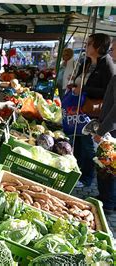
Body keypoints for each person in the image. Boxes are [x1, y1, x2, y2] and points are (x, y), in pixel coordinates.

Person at [70, 33, 115, 188]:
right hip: (79, 109)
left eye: (89, 43)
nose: (86, 46)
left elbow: (107, 91)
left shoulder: (108, 65)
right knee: (78, 143)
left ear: (98, 47)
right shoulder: (86, 62)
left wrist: (84, 89)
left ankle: (86, 179)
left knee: (89, 147)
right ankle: (76, 173)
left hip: (93, 112)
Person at [93, 38, 116, 212]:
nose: (111, 52)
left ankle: (108, 202)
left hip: (112, 130)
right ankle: (105, 198)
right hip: (109, 128)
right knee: (105, 165)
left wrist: (102, 130)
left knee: (109, 166)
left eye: (114, 49)